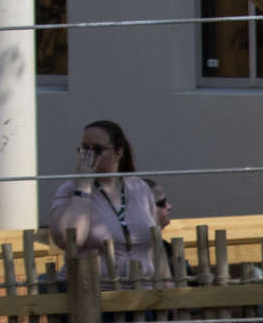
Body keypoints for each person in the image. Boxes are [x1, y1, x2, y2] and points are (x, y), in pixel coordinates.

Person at [46, 119, 170, 289]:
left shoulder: (139, 188)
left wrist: (168, 285)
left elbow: (156, 246)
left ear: (118, 152)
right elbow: (69, 241)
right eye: (84, 149)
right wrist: (83, 188)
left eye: (97, 150)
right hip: (89, 295)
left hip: (142, 296)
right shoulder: (69, 190)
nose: (89, 156)